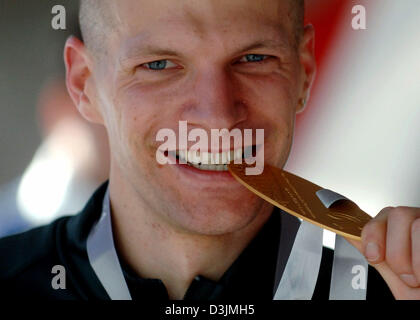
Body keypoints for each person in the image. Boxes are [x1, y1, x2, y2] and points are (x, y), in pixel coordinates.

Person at [0, 0, 419, 301]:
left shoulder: (389, 288)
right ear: (84, 84)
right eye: (160, 65)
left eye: (254, 58)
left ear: (304, 72)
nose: (217, 116)